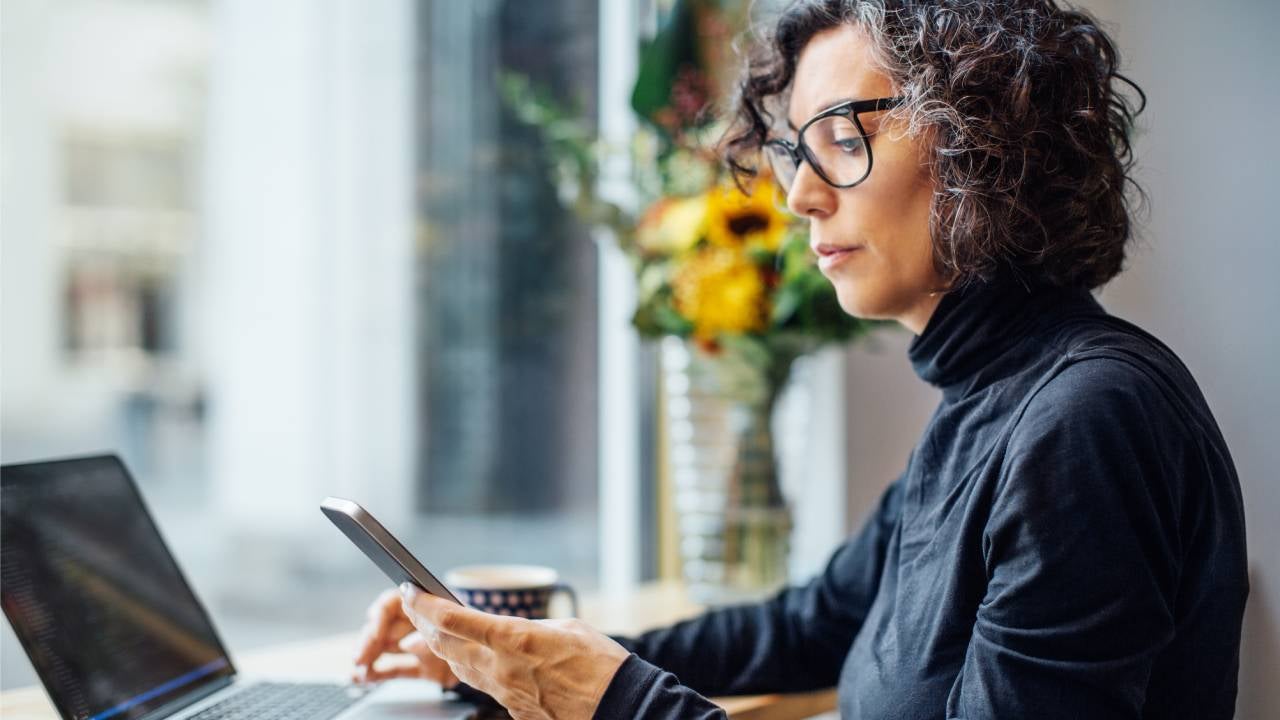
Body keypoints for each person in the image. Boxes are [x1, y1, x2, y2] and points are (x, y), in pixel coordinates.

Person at [352, 1, 1249, 718]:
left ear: (986, 143)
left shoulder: (1086, 419)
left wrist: (621, 702)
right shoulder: (993, 402)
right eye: (796, 149)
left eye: (843, 138)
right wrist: (511, 660)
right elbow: (811, 626)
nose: (797, 195)